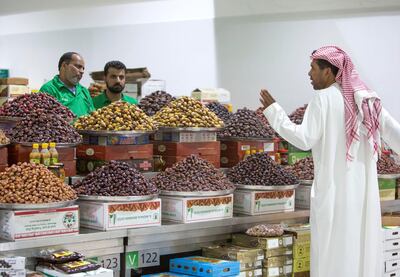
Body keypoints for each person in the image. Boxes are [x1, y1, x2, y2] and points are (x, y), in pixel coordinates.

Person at [260, 46, 400, 277]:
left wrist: (274, 112)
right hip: (363, 194)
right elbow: (395, 134)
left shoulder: (323, 99)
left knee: (331, 250)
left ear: (328, 72)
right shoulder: (367, 100)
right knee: (360, 246)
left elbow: (304, 139)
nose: (309, 73)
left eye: (313, 68)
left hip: (334, 193)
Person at [40, 52, 95, 117]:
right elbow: (44, 120)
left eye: (83, 68)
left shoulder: (84, 91)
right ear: (64, 66)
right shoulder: (49, 89)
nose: (82, 71)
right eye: (78, 66)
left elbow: (93, 115)